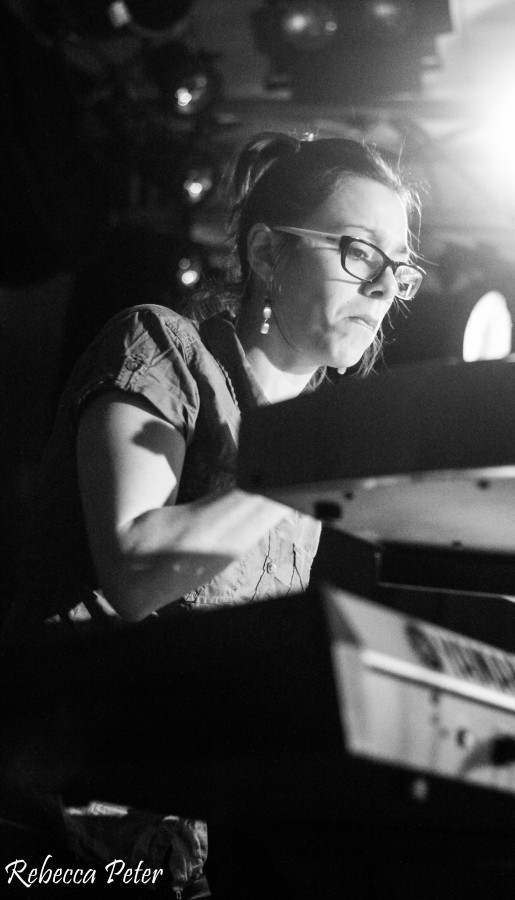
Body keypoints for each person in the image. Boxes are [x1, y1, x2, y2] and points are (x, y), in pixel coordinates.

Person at [2, 131, 422, 897]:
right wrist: (310, 468)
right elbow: (133, 568)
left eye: (400, 268)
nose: (384, 286)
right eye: (361, 251)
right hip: (50, 822)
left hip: (173, 851)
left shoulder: (313, 460)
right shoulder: (160, 344)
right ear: (267, 253)